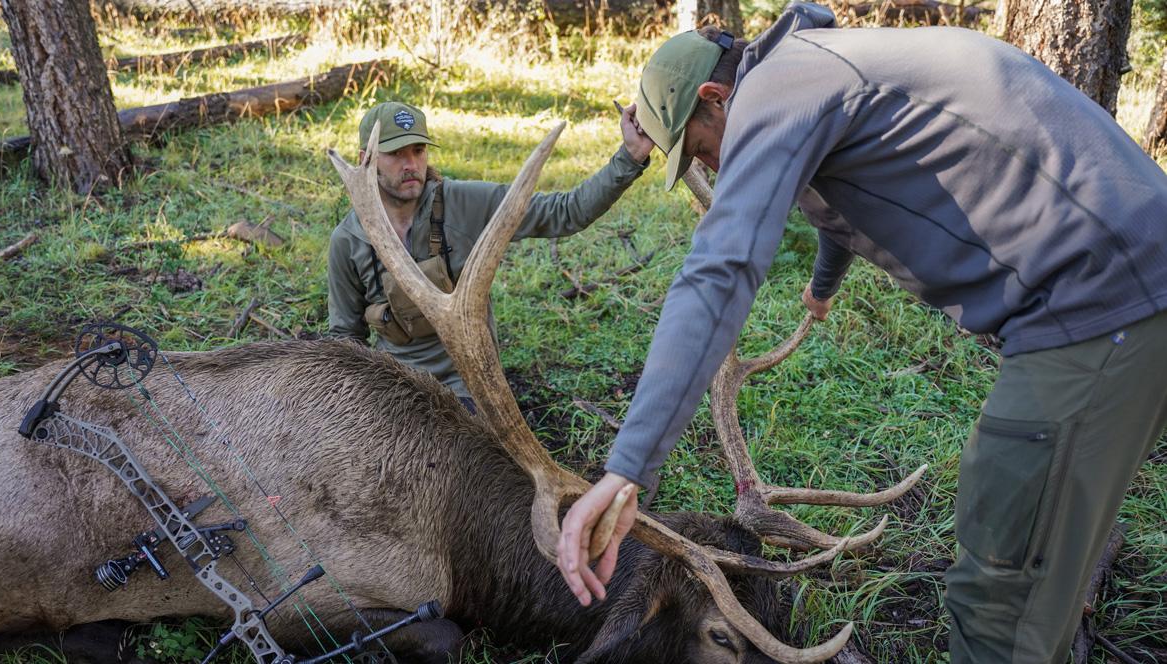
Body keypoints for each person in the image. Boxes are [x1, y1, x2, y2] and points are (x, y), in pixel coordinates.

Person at [556, 4, 1167, 662]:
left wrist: (627, 468)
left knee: (1000, 595)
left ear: (715, 97)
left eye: (702, 148)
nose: (712, 164)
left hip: (1096, 304)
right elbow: (845, 190)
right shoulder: (817, 67)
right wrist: (823, 285)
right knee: (1040, 565)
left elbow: (719, 270)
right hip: (1127, 284)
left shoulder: (775, 92)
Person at [327, 101, 654, 411]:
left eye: (418, 150)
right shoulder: (348, 240)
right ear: (366, 158)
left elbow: (567, 211)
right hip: (395, 391)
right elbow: (346, 338)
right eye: (395, 154)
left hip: (467, 386)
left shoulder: (463, 203)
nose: (411, 164)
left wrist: (630, 156)